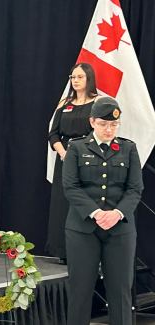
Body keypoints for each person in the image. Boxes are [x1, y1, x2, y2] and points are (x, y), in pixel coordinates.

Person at [62, 97, 143, 325]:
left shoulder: (129, 148)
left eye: (114, 125)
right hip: (82, 229)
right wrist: (97, 213)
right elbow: (70, 187)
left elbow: (135, 188)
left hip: (120, 229)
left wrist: (116, 213)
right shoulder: (76, 147)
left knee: (120, 293)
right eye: (103, 124)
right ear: (92, 122)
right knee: (80, 292)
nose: (109, 129)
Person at [46, 63, 101, 264]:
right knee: (63, 203)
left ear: (89, 79)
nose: (75, 81)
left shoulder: (99, 102)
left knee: (84, 201)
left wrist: (81, 151)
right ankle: (63, 250)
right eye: (72, 77)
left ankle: (86, 249)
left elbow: (101, 132)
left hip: (89, 158)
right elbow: (53, 133)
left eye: (79, 77)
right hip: (65, 158)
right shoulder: (65, 103)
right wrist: (62, 151)